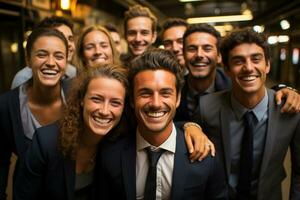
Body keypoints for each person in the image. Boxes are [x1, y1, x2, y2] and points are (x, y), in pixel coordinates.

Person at [96, 49, 227, 199]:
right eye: (145, 93)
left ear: (178, 98)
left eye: (165, 93)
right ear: (132, 100)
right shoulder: (110, 155)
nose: (156, 104)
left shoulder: (205, 156)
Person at [197, 28, 300, 199]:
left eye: (256, 59)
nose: (248, 68)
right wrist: (190, 125)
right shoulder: (206, 106)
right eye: (238, 61)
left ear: (267, 65)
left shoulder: (291, 111)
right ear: (227, 69)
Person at [14, 64, 129, 200]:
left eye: (115, 103)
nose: (104, 111)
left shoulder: (121, 146)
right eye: (96, 99)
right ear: (82, 100)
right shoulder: (46, 142)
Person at [175, 23, 300, 122]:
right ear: (183, 54)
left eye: (207, 48)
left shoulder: (236, 84)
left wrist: (285, 89)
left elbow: (257, 89)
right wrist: (188, 126)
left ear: (219, 57)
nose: (199, 55)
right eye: (192, 49)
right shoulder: (173, 89)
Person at [0, 28, 69, 199]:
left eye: (59, 56)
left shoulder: (78, 96)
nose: (51, 62)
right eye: (42, 54)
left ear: (66, 62)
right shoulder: (7, 105)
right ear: (28, 60)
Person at [11, 16, 77, 89]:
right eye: (61, 38)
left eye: (71, 39)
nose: (68, 44)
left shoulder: (73, 72)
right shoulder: (23, 78)